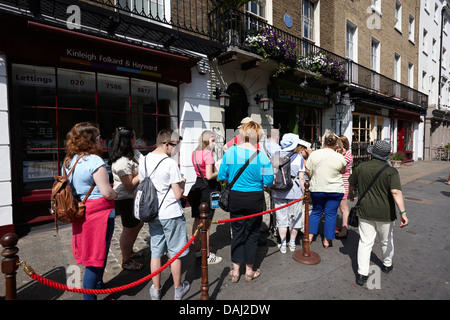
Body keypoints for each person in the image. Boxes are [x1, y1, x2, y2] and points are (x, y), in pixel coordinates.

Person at [64, 122, 118, 300]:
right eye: (98, 137)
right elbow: (106, 192)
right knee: (95, 258)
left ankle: (98, 284)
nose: (101, 140)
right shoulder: (95, 160)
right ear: (90, 140)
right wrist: (115, 193)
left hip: (80, 211)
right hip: (98, 213)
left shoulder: (68, 161)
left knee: (92, 253)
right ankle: (89, 295)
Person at [218, 121, 273, 283]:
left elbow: (222, 176)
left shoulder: (231, 153)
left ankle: (235, 272)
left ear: (242, 134)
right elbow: (268, 181)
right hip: (255, 198)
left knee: (237, 233)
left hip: (236, 197)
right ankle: (249, 271)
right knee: (252, 233)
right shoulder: (262, 157)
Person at [348, 140, 409, 286]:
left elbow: (351, 184)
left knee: (365, 242)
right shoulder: (391, 171)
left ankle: (362, 274)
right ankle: (387, 264)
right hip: (385, 213)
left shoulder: (361, 167)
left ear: (372, 153)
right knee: (386, 240)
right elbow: (396, 191)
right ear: (386, 155)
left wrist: (350, 194)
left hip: (364, 211)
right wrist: (403, 212)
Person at [141, 129, 190, 300]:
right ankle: (178, 289)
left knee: (156, 251)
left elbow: (144, 184)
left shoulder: (144, 160)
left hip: (153, 212)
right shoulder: (169, 163)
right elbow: (178, 194)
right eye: (175, 146)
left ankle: (156, 290)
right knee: (175, 251)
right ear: (167, 144)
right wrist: (182, 183)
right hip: (170, 212)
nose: (177, 150)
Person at [109, 125, 144, 271]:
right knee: (128, 229)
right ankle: (126, 260)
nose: (137, 139)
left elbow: (144, 161)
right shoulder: (121, 162)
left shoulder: (133, 153)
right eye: (134, 136)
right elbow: (129, 184)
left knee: (138, 224)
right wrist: (142, 173)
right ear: (128, 139)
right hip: (125, 199)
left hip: (134, 197)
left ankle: (129, 252)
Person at [305, 131, 346, 248]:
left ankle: (310, 236)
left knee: (316, 211)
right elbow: (343, 171)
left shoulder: (314, 154)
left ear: (323, 142)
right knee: (331, 214)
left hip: (317, 187)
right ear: (335, 144)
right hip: (335, 189)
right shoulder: (339, 156)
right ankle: (327, 241)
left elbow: (308, 170)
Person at [187, 130, 222, 265]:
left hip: (197, 186)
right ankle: (207, 254)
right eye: (213, 140)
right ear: (207, 141)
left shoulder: (195, 152)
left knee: (197, 220)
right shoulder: (208, 154)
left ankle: (197, 249)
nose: (214, 143)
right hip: (208, 188)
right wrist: (219, 171)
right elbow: (209, 175)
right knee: (206, 223)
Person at [272, 134, 307, 253]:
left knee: (281, 219)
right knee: (295, 218)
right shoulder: (299, 157)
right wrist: (304, 192)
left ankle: (282, 244)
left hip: (279, 191)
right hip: (295, 192)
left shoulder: (275, 155)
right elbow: (302, 178)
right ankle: (292, 242)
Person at [336, 135, 353, 239]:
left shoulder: (346, 156)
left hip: (343, 184)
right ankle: (343, 227)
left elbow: (337, 167)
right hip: (340, 183)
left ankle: (345, 229)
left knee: (344, 208)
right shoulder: (342, 154)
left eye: (337, 143)